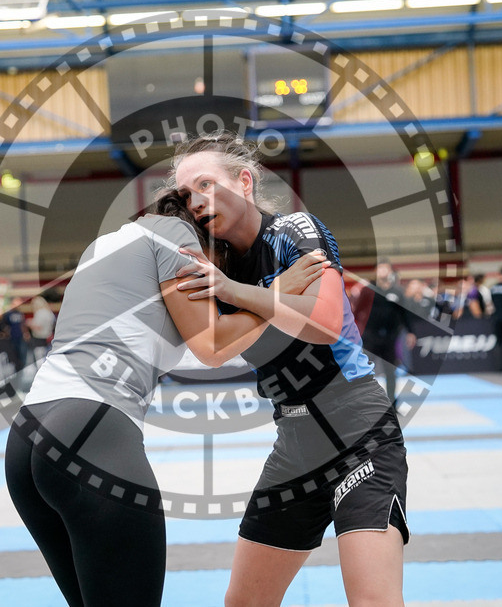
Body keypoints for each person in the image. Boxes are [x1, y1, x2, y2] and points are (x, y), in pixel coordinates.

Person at [4, 191, 329, 607]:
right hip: (90, 434)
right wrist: (276, 293)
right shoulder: (176, 235)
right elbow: (212, 345)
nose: (218, 285)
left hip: (29, 436)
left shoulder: (105, 244)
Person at [171, 132, 409, 607]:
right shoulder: (210, 263)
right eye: (184, 196)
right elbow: (211, 350)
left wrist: (237, 294)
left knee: (372, 602)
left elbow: (324, 326)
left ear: (243, 181)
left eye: (204, 185)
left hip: (359, 431)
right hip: (295, 445)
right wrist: (276, 293)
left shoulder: (296, 231)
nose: (195, 202)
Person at [357, 259, 413, 407]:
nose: (383, 271)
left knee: (391, 373)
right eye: (380, 268)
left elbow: (404, 314)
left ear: (391, 272)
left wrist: (410, 332)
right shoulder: (367, 290)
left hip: (389, 338)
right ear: (375, 271)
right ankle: (363, 403)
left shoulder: (397, 292)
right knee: (365, 372)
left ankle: (392, 405)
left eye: (386, 268)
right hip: (370, 337)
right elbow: (357, 313)